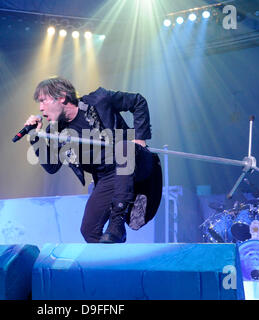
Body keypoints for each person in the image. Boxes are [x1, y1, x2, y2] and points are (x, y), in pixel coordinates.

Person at [25, 77, 162, 243]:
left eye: (43, 101)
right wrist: (35, 137)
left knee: (124, 148)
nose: (40, 108)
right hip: (109, 177)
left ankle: (117, 221)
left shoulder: (99, 100)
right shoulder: (56, 130)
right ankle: (112, 265)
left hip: (136, 161)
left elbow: (138, 101)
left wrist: (140, 138)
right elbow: (52, 166)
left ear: (61, 97)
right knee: (89, 230)